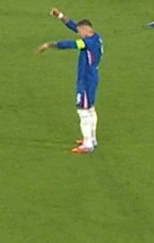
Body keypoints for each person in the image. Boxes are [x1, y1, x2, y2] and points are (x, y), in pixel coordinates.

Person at [35, 9, 103, 153]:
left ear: (85, 30)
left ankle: (87, 144)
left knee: (83, 110)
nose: (78, 33)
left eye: (80, 32)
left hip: (86, 80)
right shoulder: (96, 37)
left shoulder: (87, 43)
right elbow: (74, 26)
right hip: (92, 77)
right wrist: (60, 16)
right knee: (90, 108)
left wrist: (49, 45)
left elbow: (70, 44)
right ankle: (91, 138)